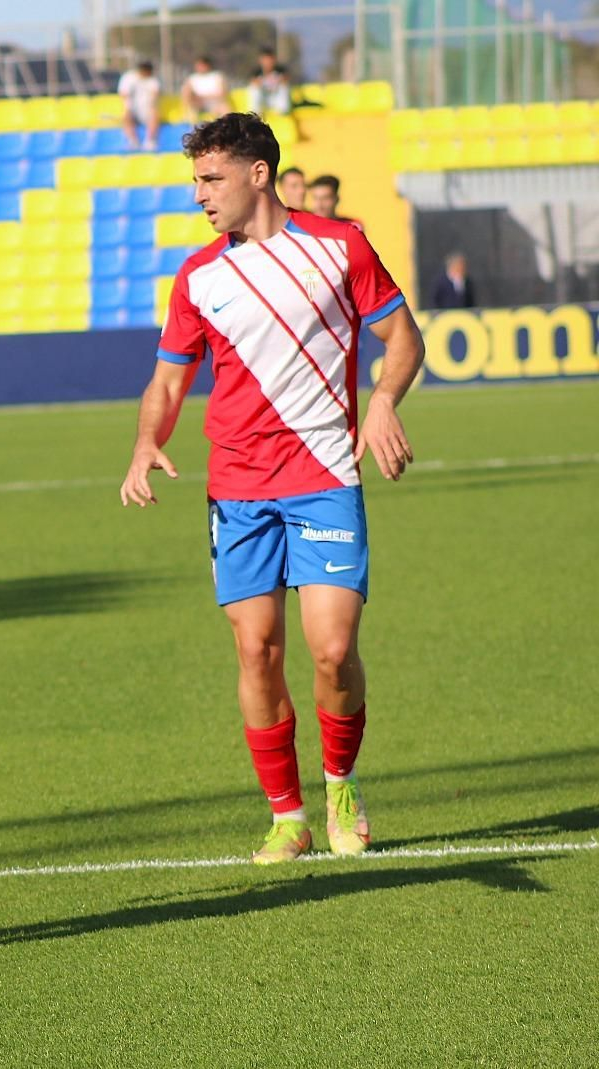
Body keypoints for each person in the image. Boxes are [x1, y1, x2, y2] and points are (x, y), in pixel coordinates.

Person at [118, 112, 424, 866]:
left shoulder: (340, 246)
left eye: (211, 179)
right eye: (195, 180)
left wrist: (383, 401)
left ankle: (340, 784)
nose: (199, 194)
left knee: (333, 651)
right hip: (238, 489)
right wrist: (147, 441)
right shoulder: (198, 276)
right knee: (256, 652)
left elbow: (403, 339)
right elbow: (168, 379)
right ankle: (288, 817)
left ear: (258, 174)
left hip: (324, 475)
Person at [118, 60, 162, 151]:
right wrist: (128, 108)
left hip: (146, 111)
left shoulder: (153, 80)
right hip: (132, 110)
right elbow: (123, 94)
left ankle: (150, 140)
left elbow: (155, 94)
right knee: (126, 115)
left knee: (154, 113)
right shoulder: (128, 78)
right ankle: (133, 141)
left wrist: (151, 106)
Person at [181, 56, 231, 122]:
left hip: (215, 103)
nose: (199, 67)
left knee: (224, 108)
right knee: (191, 109)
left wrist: (204, 97)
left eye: (201, 65)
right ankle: (188, 124)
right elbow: (186, 93)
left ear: (207, 65)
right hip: (198, 103)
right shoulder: (192, 78)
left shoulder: (217, 76)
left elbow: (222, 93)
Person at [247, 48, 292, 115]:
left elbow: (286, 79)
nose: (267, 63)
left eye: (269, 60)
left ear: (274, 60)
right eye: (265, 60)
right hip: (264, 98)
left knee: (284, 87)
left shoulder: (280, 70)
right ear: (260, 60)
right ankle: (255, 111)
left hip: (276, 98)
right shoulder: (256, 72)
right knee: (254, 88)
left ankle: (283, 111)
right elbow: (253, 82)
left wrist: (278, 81)